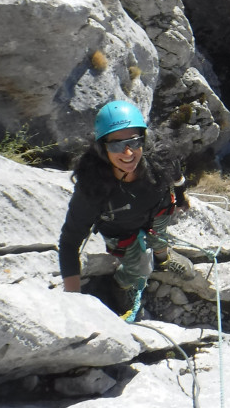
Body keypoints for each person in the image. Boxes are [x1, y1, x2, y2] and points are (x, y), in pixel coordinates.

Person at [58, 99, 193, 322]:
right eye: (117, 145)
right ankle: (122, 284)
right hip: (121, 231)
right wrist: (73, 300)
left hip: (158, 213)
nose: (128, 152)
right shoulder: (93, 186)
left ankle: (164, 258)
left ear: (144, 140)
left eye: (134, 141)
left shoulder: (160, 156)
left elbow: (177, 177)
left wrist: (180, 197)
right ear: (103, 147)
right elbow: (70, 242)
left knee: (160, 239)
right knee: (137, 267)